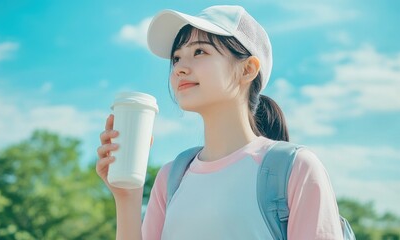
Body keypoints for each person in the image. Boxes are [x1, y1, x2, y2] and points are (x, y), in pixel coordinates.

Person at [97, 5, 344, 240]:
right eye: (176, 58)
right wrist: (127, 196)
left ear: (248, 69)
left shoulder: (295, 168)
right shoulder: (171, 177)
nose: (180, 68)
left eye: (199, 51)